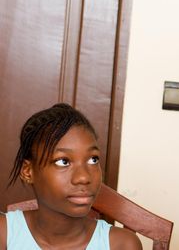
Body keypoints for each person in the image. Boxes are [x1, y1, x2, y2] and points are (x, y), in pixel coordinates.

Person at [0, 103, 142, 250]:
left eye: (93, 159)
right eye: (63, 161)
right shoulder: (4, 234)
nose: (83, 177)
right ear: (28, 172)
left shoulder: (121, 244)